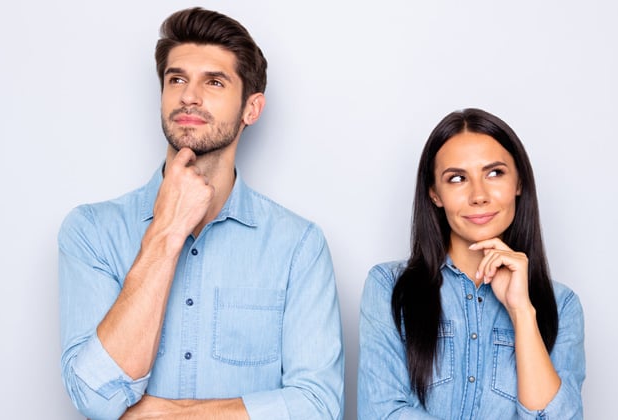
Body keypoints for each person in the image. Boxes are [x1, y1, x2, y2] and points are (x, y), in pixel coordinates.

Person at [58, 7, 344, 420]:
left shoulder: (299, 245)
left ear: (252, 108)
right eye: (177, 79)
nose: (189, 95)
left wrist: (162, 415)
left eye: (214, 81)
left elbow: (318, 407)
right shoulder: (91, 231)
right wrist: (167, 231)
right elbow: (95, 398)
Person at [357, 108, 585, 419]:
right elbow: (382, 412)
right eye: (457, 178)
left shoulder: (562, 305)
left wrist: (521, 312)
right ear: (435, 194)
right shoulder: (388, 286)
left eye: (494, 173)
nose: (479, 195)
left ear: (519, 182)